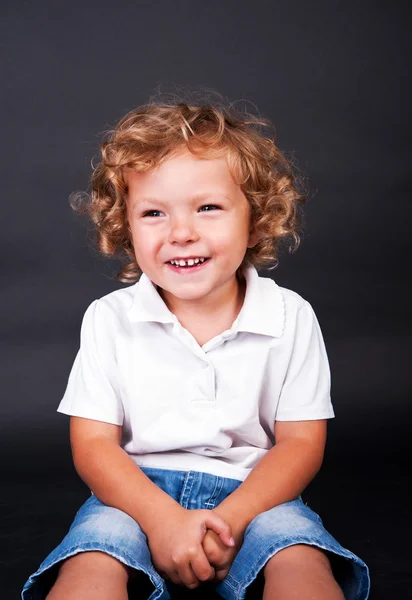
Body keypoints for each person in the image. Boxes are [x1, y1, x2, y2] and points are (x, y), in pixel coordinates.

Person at [22, 96, 370, 600]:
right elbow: (94, 445)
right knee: (93, 558)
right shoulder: (110, 318)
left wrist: (231, 519)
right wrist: (161, 520)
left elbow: (300, 443)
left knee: (299, 556)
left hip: (257, 494)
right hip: (134, 495)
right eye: (153, 213)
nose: (181, 233)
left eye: (208, 208)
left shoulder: (290, 315)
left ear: (254, 218)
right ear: (126, 226)